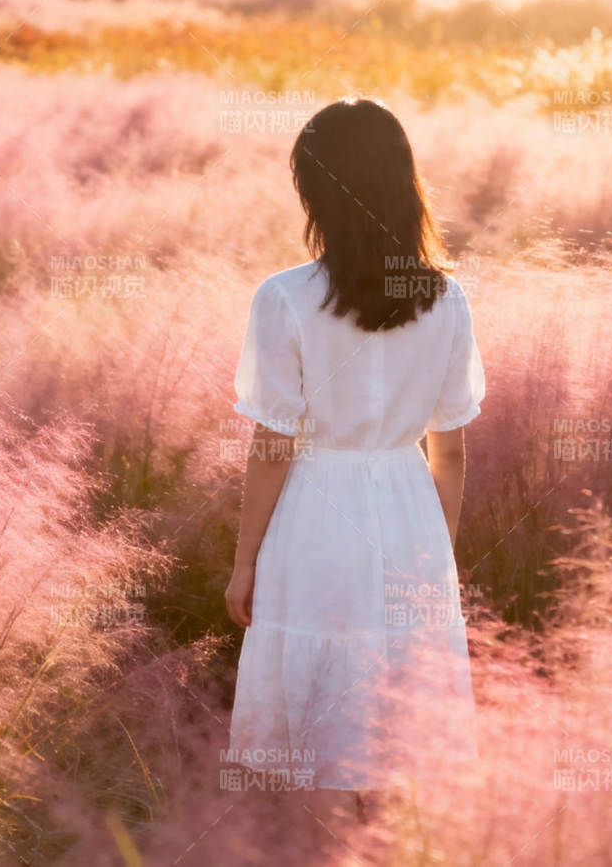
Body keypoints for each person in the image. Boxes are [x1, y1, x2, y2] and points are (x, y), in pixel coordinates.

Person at [224, 98, 485, 824]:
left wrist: (244, 563)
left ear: (317, 191)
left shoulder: (285, 299)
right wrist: (439, 560)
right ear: (404, 182)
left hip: (317, 514)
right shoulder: (446, 299)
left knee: (317, 723)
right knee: (397, 716)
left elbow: (273, 446)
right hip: (411, 515)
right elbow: (452, 450)